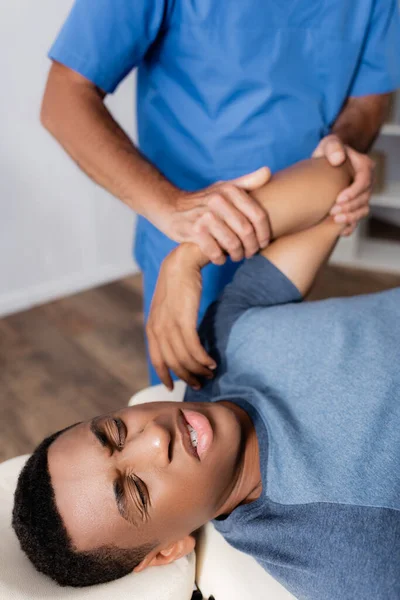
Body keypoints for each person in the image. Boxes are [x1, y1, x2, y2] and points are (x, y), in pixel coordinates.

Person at [12, 157, 400, 598]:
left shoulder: (219, 342)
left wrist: (187, 257)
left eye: (117, 431)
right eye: (136, 490)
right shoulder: (345, 554)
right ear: (166, 551)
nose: (156, 438)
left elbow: (334, 182)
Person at [41, 0, 400, 382]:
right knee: (192, 397)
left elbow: (369, 97)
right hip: (190, 238)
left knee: (269, 393)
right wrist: (174, 210)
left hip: (302, 225)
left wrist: (342, 147)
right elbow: (64, 95)